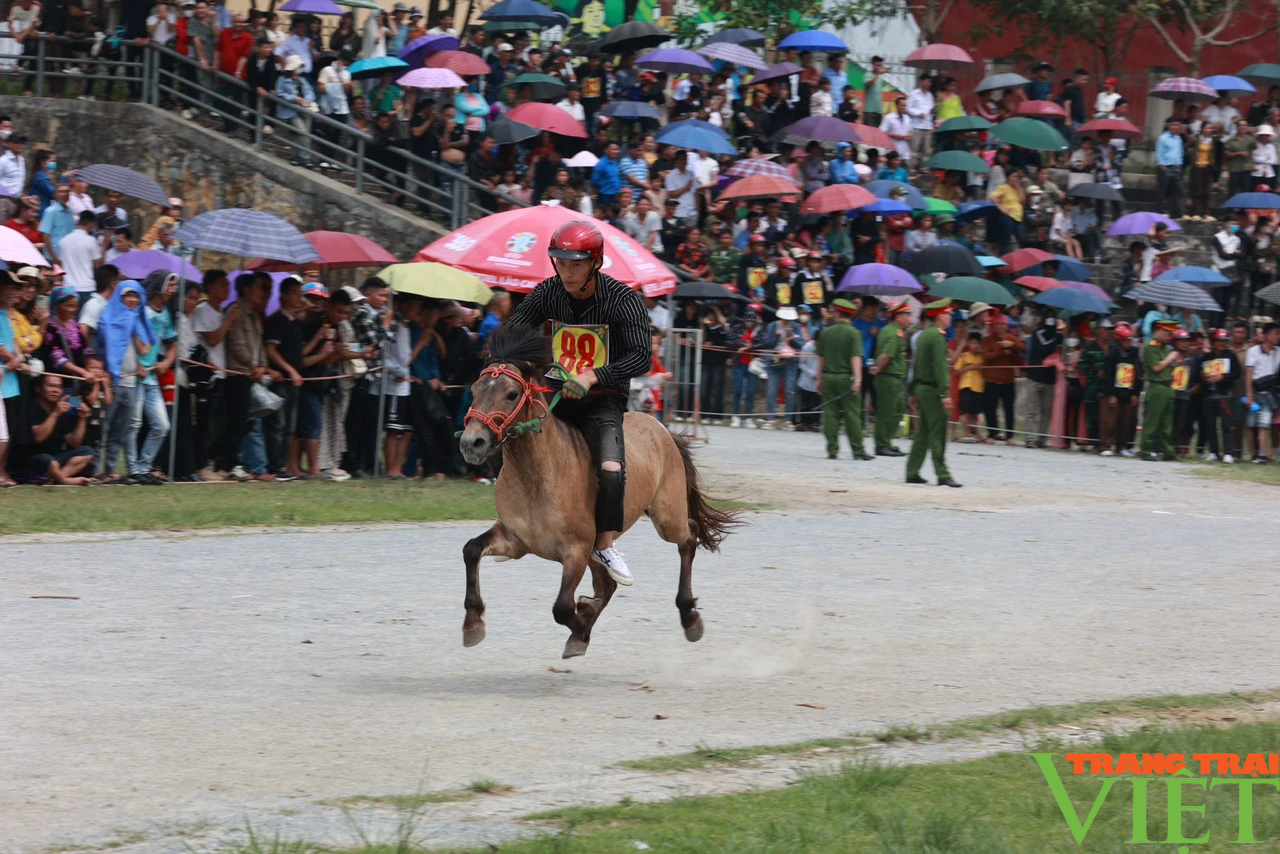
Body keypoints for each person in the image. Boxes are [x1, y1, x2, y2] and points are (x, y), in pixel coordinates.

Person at [505, 220, 651, 587]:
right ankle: (516, 514)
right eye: (560, 263)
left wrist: (592, 376)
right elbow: (513, 333)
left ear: (595, 263)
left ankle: (604, 544)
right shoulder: (547, 294)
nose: (566, 273)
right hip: (555, 394)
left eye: (575, 265)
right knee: (505, 434)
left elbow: (641, 357)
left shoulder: (624, 301)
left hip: (602, 400)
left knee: (612, 468)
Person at [98, 280, 157, 483]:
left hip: (131, 383)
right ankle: (95, 470)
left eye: (135, 296)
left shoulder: (134, 321)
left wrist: (137, 325)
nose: (132, 300)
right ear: (119, 297)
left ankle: (112, 470)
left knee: (120, 430)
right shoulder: (107, 319)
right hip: (112, 380)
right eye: (127, 296)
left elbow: (144, 350)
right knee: (103, 427)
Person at [906, 298, 960, 487]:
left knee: (924, 433)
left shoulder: (923, 335)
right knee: (938, 432)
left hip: (921, 387)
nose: (950, 317)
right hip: (932, 390)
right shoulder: (937, 337)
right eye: (948, 314)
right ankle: (942, 473)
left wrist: (912, 390)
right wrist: (945, 393)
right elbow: (939, 368)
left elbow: (916, 364)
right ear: (940, 316)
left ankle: (912, 471)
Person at [15, 374, 96, 485]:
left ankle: (59, 477)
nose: (55, 390)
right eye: (51, 386)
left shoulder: (62, 408)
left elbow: (74, 442)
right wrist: (55, 414)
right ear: (38, 388)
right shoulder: (32, 407)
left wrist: (82, 419)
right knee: (49, 461)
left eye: (59, 387)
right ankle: (64, 479)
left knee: (88, 452)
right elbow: (38, 438)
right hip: (34, 458)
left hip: (56, 457)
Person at [816, 298, 870, 460]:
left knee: (830, 414)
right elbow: (855, 358)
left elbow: (821, 359)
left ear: (837, 313)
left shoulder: (826, 333)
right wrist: (858, 380)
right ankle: (858, 450)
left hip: (828, 377)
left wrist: (819, 379)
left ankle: (832, 450)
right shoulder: (854, 333)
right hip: (846, 378)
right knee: (852, 414)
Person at [870, 299, 911, 456]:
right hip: (889, 377)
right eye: (907, 314)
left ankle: (887, 441)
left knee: (896, 410)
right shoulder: (894, 333)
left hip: (893, 377)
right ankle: (881, 444)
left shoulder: (893, 331)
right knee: (887, 412)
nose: (909, 318)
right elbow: (886, 355)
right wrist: (879, 368)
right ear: (898, 316)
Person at [1141, 319, 1181, 461]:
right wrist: (1169, 358)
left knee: (1167, 422)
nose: (1168, 334)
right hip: (1157, 387)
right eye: (1165, 331)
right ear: (1155, 331)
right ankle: (1146, 450)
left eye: (1170, 332)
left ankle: (1168, 451)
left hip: (1168, 387)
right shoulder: (1150, 347)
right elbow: (1156, 368)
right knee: (1152, 421)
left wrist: (1174, 362)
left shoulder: (1165, 348)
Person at [1201, 328, 1242, 462]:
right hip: (1209, 395)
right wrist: (1205, 377)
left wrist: (1222, 377)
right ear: (1213, 342)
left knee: (1227, 425)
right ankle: (1214, 451)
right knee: (1210, 425)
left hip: (1225, 395)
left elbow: (1237, 373)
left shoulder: (1231, 356)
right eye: (1218, 341)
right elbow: (1199, 375)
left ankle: (1228, 452)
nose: (1221, 343)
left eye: (1224, 341)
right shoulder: (1207, 357)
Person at [1244, 321, 1280, 462]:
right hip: (1256, 389)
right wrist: (1249, 396)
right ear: (1265, 335)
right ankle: (1255, 453)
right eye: (1275, 333)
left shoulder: (1278, 352)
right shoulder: (1253, 351)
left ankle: (1262, 454)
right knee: (1251, 423)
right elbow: (1248, 375)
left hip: (1270, 392)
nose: (1278, 336)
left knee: (1264, 424)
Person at [1157, 119, 1186, 219]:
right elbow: (1159, 152)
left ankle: (1181, 212)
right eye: (1173, 125)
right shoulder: (1163, 138)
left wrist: (1180, 163)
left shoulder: (1179, 139)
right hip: (1166, 167)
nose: (1176, 127)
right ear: (1169, 126)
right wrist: (1162, 165)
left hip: (1176, 167)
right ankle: (1161, 211)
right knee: (1163, 190)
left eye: (1178, 125)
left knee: (1179, 190)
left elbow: (1180, 152)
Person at [906, 75, 935, 169]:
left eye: (930, 82)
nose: (929, 84)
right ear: (922, 82)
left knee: (926, 151)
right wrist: (918, 113)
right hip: (916, 126)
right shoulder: (914, 94)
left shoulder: (930, 95)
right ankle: (912, 170)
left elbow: (931, 110)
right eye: (927, 81)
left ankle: (924, 170)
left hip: (927, 126)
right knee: (915, 150)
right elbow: (908, 108)